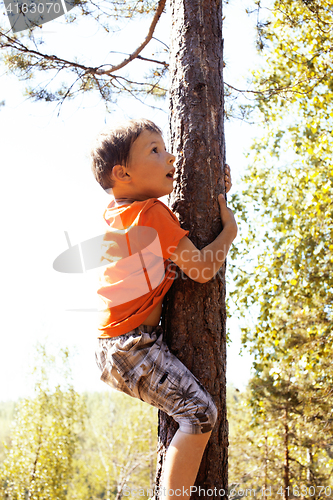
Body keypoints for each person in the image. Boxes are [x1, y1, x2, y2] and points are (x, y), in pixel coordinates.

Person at [91, 118, 237, 500]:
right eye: (154, 150)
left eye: (164, 146)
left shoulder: (121, 212)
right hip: (130, 347)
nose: (170, 155)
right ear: (122, 173)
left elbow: (165, 226)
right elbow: (202, 269)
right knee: (199, 414)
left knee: (191, 412)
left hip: (122, 345)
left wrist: (211, 190)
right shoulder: (152, 214)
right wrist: (230, 232)